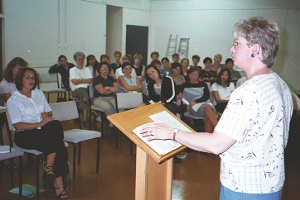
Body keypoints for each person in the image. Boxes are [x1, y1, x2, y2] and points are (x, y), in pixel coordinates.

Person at [140, 17, 293, 200]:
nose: (231, 49)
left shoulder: (248, 91)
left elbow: (216, 144)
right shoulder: (280, 84)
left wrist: (171, 133)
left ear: (255, 49)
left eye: (237, 44)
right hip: (270, 183)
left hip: (244, 187)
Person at [7, 67, 69, 199]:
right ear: (20, 80)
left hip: (43, 131)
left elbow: (49, 111)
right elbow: (17, 125)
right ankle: (58, 183)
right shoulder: (14, 100)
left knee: (55, 124)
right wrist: (39, 124)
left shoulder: (39, 93)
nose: (31, 80)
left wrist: (46, 115)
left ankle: (49, 167)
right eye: (27, 77)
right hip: (25, 134)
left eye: (33, 78)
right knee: (59, 145)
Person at [0, 57, 27, 168]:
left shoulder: (21, 81)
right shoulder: (4, 84)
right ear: (11, 68)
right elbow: (9, 101)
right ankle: (7, 159)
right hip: (10, 110)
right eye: (18, 68)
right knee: (6, 128)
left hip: (23, 109)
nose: (20, 71)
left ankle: (31, 152)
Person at [178, 67, 218, 133]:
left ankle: (208, 137)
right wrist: (179, 93)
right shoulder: (185, 85)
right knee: (208, 109)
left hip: (204, 103)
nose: (195, 77)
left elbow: (206, 96)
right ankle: (219, 131)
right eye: (193, 74)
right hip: (194, 107)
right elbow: (176, 89)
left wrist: (196, 101)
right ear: (189, 75)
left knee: (208, 114)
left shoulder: (203, 84)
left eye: (197, 75)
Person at [69, 51, 93, 127]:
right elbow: (74, 82)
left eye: (82, 59)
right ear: (75, 60)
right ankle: (85, 119)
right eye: (79, 59)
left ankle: (81, 113)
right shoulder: (72, 70)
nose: (81, 61)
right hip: (77, 90)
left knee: (86, 95)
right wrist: (84, 80)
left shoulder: (87, 69)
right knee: (86, 96)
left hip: (87, 89)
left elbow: (90, 80)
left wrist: (80, 80)